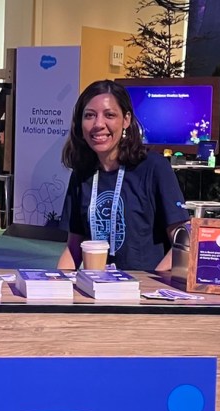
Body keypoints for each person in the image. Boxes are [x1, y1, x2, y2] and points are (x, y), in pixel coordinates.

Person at [57, 80, 190, 271]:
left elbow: (183, 243)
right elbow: (73, 248)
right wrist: (55, 286)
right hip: (96, 290)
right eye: (89, 116)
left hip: (143, 294)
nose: (98, 124)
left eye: (109, 115)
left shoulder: (154, 168)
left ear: (126, 120)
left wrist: (151, 283)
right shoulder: (82, 173)